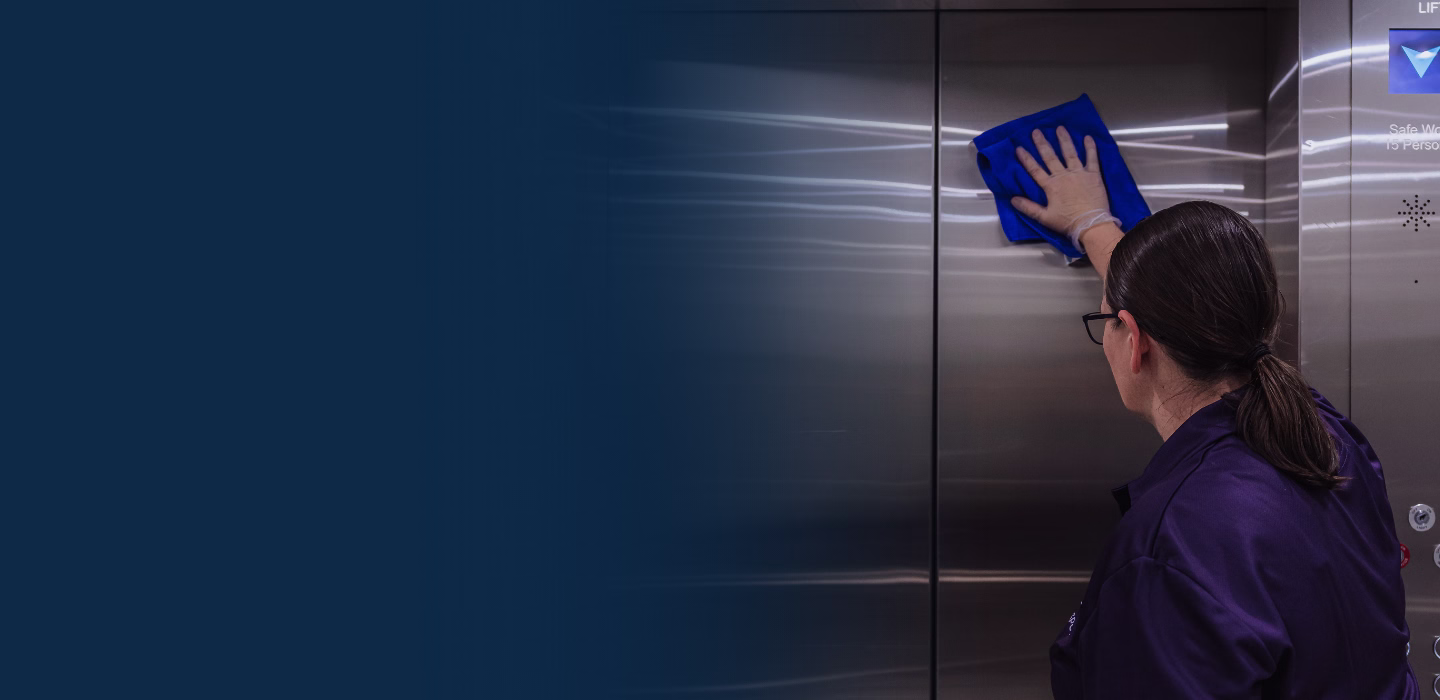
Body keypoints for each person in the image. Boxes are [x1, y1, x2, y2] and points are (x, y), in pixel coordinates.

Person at [1009, 126, 1420, 699]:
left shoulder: (1171, 546)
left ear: (1133, 339)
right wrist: (1092, 224)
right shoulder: (1327, 436)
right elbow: (1186, 304)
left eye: (1106, 322)